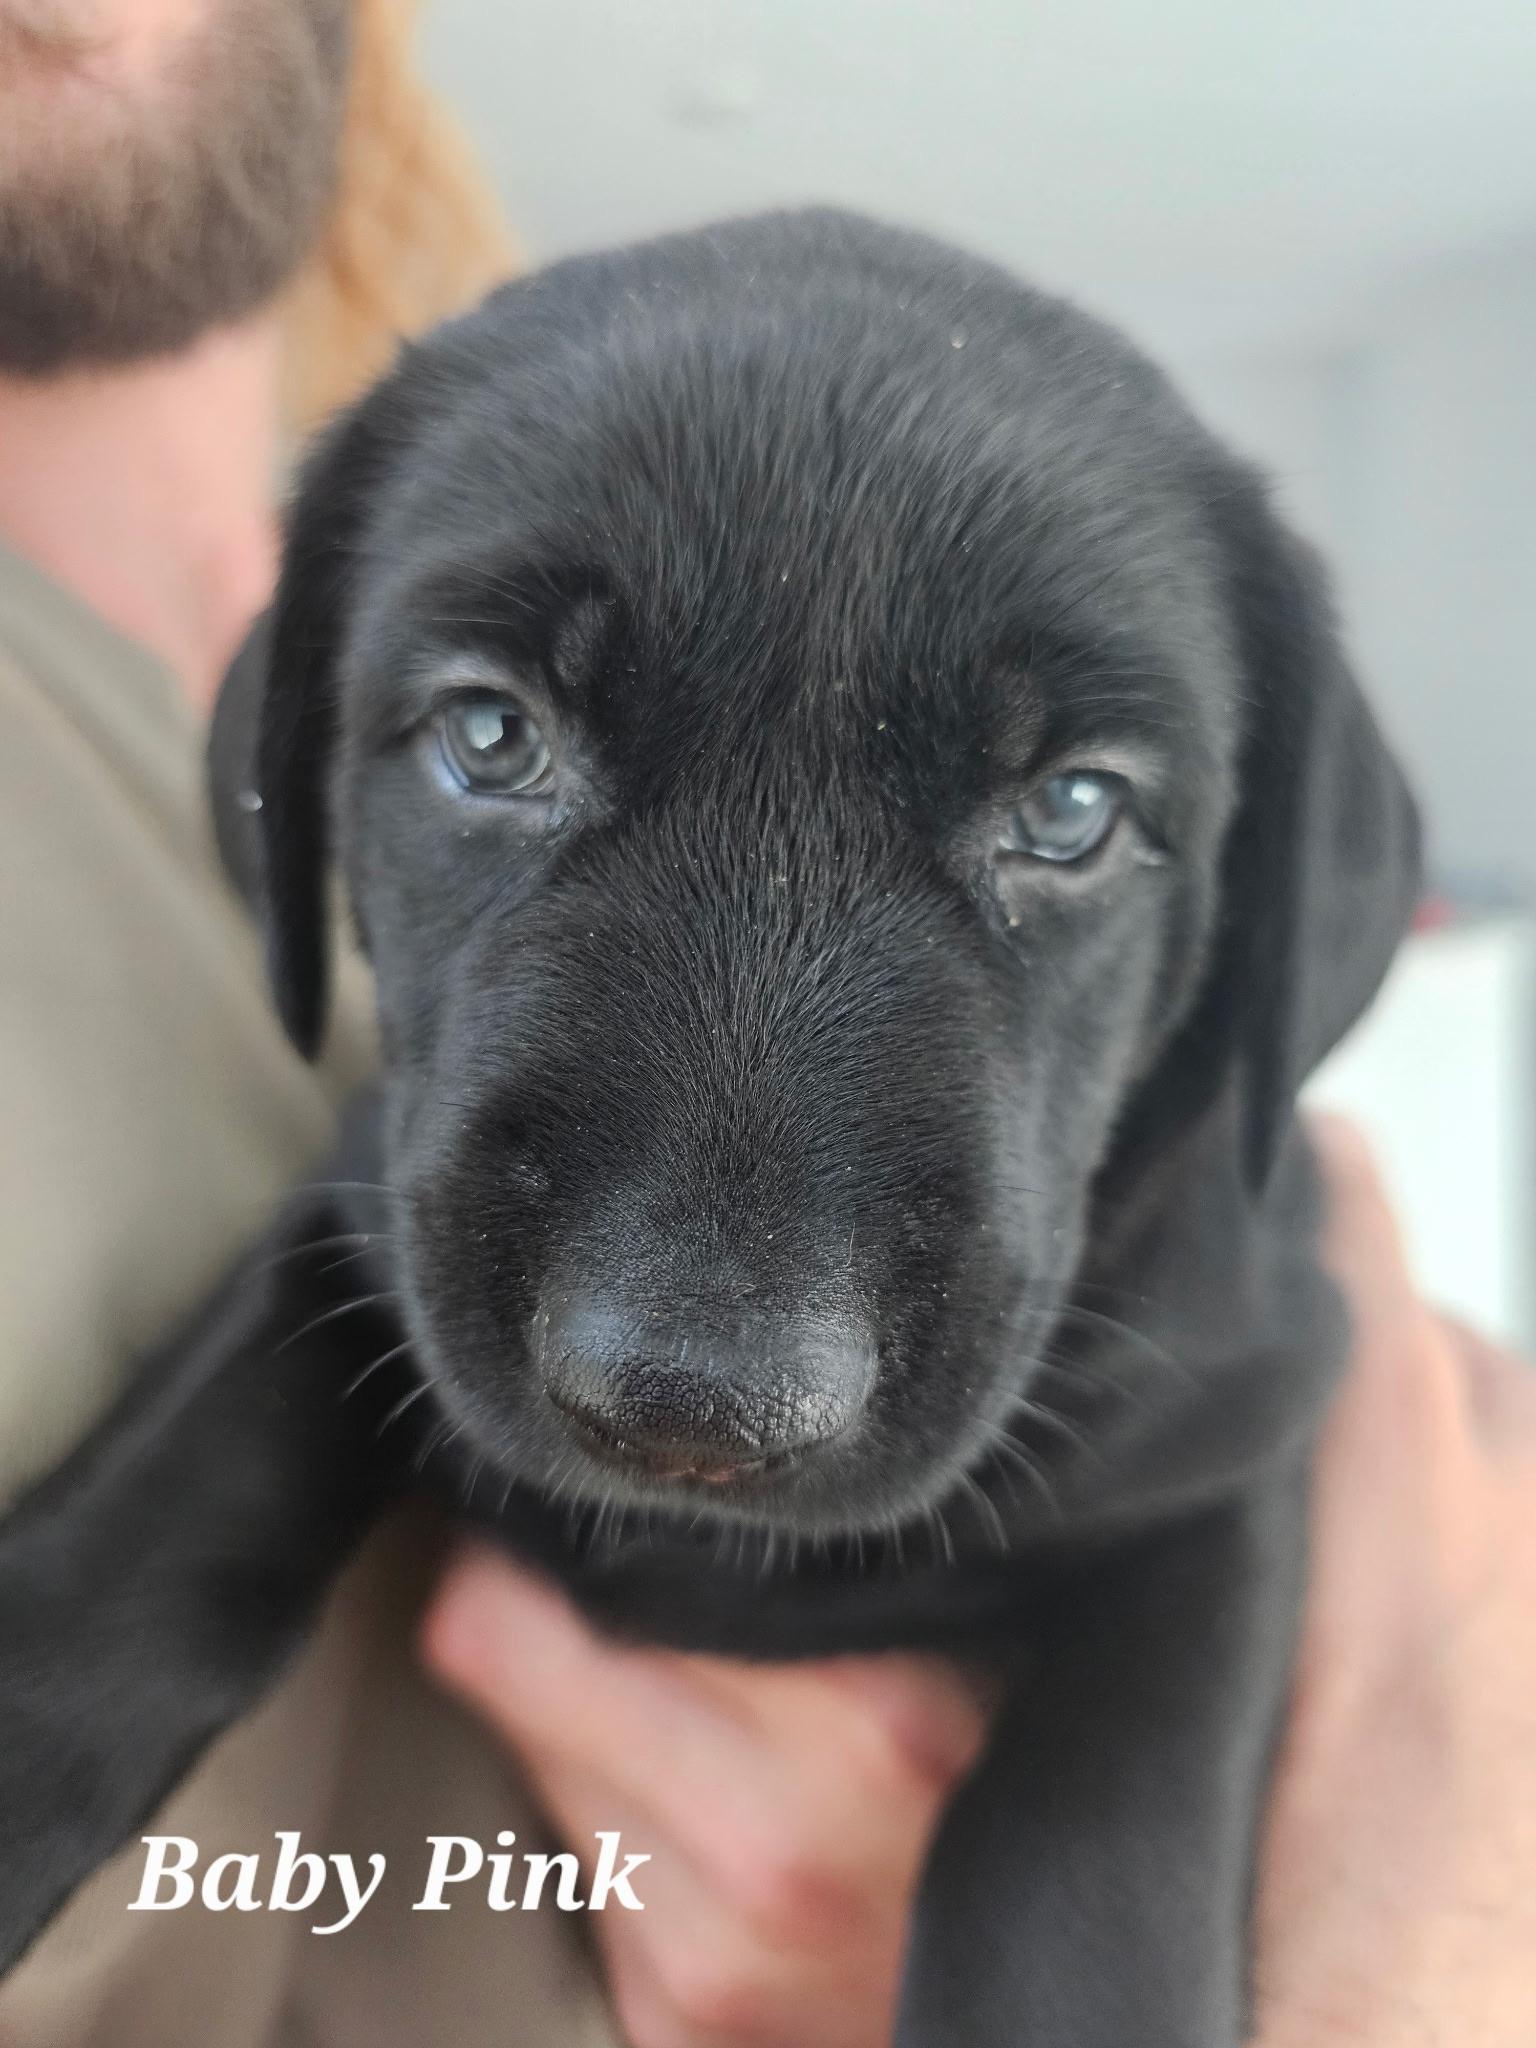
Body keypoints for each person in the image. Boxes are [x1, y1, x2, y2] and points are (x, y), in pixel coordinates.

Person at [0, 7, 1531, 2046]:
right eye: (491, 731)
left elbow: (1225, 1507)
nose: (714, 1363)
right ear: (300, 796)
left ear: (1267, 923)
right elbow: (345, 1244)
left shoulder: (1175, 1350)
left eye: (1068, 811)